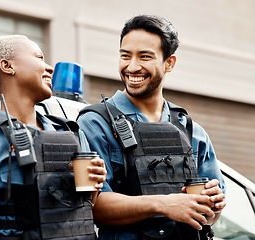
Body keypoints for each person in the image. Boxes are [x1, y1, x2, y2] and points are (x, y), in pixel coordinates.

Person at [0, 34, 106, 240]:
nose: (50, 68)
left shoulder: (71, 134)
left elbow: (83, 212)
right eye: (39, 58)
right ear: (7, 66)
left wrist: (94, 185)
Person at [77, 14, 226, 240]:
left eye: (145, 57)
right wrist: (164, 204)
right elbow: (90, 206)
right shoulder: (94, 124)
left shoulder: (191, 130)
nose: (132, 67)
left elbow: (210, 214)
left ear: (169, 63)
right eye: (125, 56)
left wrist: (213, 206)